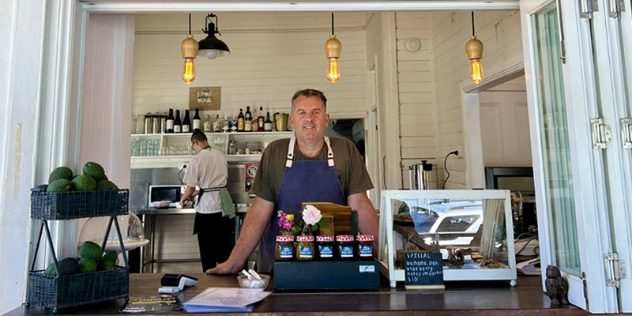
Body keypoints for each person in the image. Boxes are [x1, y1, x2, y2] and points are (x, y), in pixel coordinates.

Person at [208, 89, 379, 274]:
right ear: (292, 121)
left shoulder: (345, 150)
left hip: (334, 261)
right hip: (280, 262)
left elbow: (360, 206)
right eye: (302, 112)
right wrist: (234, 262)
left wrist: (382, 256)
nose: (309, 118)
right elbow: (260, 209)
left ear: (326, 119)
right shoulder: (275, 152)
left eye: (316, 112)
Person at [180, 130, 235, 272]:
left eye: (194, 146)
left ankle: (209, 280)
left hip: (207, 210)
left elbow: (190, 188)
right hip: (223, 205)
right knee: (225, 247)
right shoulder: (220, 155)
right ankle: (226, 279)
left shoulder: (197, 159)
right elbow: (216, 184)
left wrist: (183, 199)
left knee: (207, 250)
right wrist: (202, 190)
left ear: (195, 142)